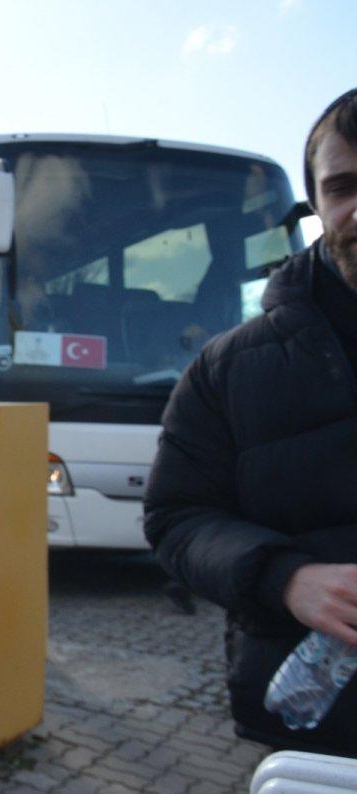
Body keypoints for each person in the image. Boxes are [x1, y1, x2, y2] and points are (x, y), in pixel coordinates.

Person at [144, 88, 357, 757]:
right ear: (317, 205)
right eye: (345, 186)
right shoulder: (227, 369)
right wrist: (284, 577)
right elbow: (176, 518)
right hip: (319, 729)